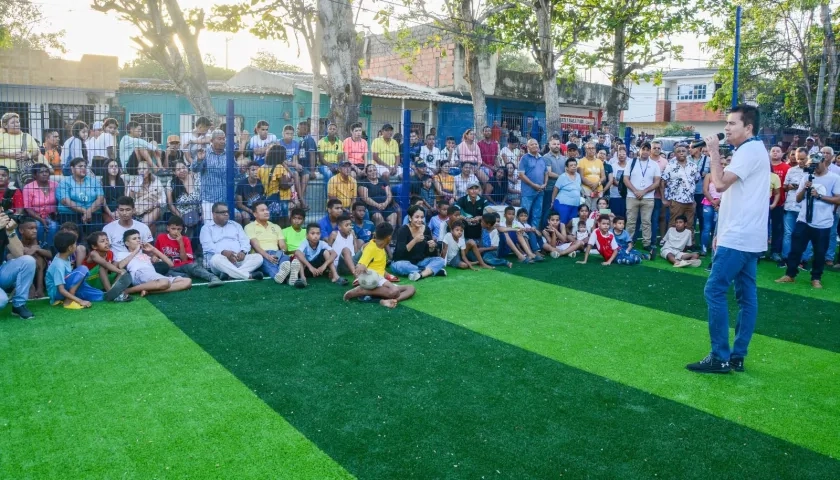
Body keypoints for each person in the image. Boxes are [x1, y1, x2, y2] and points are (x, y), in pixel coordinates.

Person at [688, 105, 770, 375]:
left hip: (739, 237)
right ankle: (736, 356)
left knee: (714, 290)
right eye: (726, 123)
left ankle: (720, 356)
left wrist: (712, 153)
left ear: (748, 127)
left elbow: (720, 184)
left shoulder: (748, 151)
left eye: (732, 123)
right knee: (747, 297)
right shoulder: (753, 150)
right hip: (747, 236)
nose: (725, 128)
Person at [776, 152, 840, 288]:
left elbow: (838, 199)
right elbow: (798, 198)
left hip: (823, 223)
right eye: (811, 165)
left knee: (820, 252)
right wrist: (804, 188)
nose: (814, 168)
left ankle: (816, 278)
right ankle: (790, 275)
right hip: (803, 220)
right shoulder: (806, 177)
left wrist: (819, 196)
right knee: (795, 249)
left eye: (816, 165)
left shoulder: (834, 178)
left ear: (824, 162)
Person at [343, 223, 416, 309]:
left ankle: (392, 300)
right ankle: (362, 291)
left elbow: (379, 267)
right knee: (394, 291)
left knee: (411, 288)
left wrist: (388, 275)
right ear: (389, 237)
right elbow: (361, 264)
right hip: (372, 280)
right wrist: (360, 269)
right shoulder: (371, 248)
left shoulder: (381, 248)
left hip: (380, 281)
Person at [116, 229, 193, 296]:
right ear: (127, 243)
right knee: (164, 282)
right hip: (139, 274)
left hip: (153, 275)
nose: (138, 240)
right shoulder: (122, 254)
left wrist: (153, 249)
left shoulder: (145, 254)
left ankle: (149, 291)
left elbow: (171, 264)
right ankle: (129, 291)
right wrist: (136, 251)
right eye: (134, 239)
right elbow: (120, 266)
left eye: (139, 238)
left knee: (187, 281)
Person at [200, 202, 264, 281]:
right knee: (215, 259)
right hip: (221, 262)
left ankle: (231, 275)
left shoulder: (235, 225)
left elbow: (245, 241)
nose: (226, 214)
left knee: (258, 257)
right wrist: (223, 252)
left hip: (238, 259)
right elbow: (208, 247)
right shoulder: (206, 228)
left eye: (227, 212)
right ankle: (248, 276)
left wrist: (243, 252)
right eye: (223, 212)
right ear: (214, 214)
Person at [155, 215, 223, 287]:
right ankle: (187, 276)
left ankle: (213, 278)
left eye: (179, 229)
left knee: (193, 266)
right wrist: (154, 257)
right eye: (173, 229)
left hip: (184, 265)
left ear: (182, 229)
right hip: (170, 268)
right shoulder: (161, 237)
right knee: (165, 272)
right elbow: (156, 253)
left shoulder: (185, 239)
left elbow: (184, 259)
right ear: (168, 228)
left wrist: (180, 243)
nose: (176, 231)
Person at [46, 231, 104, 309]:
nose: (76, 246)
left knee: (99, 295)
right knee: (82, 269)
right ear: (70, 248)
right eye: (75, 244)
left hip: (68, 287)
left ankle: (73, 295)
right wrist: (80, 301)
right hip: (57, 292)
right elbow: (61, 289)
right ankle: (68, 301)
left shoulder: (64, 256)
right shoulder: (58, 265)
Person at [623, 142, 661, 256]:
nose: (645, 152)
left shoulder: (654, 165)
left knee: (646, 222)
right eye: (643, 149)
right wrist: (635, 191)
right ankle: (628, 241)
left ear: (650, 152)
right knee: (630, 221)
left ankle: (646, 243)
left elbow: (657, 182)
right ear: (639, 150)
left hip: (648, 197)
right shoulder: (631, 162)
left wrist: (643, 191)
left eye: (647, 150)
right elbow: (625, 179)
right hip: (631, 196)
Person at [391, 205, 446, 281]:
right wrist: (415, 240)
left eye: (422, 217)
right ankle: (430, 271)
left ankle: (421, 274)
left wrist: (431, 247)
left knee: (440, 260)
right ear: (410, 218)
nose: (420, 220)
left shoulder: (426, 229)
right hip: (403, 261)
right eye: (417, 217)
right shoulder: (403, 230)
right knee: (399, 266)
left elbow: (429, 254)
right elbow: (399, 254)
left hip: (420, 261)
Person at [245, 201, 293, 285]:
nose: (266, 212)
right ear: (255, 214)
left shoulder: (276, 226)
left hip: (276, 253)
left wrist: (280, 253)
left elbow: (282, 245)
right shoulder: (249, 227)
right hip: (260, 254)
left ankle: (282, 275)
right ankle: (286, 276)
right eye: (262, 210)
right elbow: (255, 246)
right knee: (271, 264)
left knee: (285, 258)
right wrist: (268, 256)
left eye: (267, 210)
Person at [661, 144, 701, 233]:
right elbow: (663, 182)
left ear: (687, 152)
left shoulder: (693, 166)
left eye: (683, 151)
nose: (681, 153)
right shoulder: (670, 166)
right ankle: (672, 244)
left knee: (689, 224)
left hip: (690, 200)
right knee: (673, 223)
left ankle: (689, 244)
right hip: (676, 200)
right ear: (675, 154)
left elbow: (696, 179)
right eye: (679, 151)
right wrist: (664, 199)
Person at [83, 231, 133, 301]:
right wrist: (119, 271)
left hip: (100, 280)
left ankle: (115, 291)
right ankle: (110, 293)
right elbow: (105, 264)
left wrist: (120, 269)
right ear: (94, 246)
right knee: (103, 267)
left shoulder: (110, 253)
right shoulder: (93, 254)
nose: (106, 242)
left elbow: (112, 267)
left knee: (121, 269)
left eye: (107, 240)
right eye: (102, 241)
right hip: (89, 280)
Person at [56, 158, 104, 232]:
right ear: (72, 169)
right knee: (73, 230)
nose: (83, 168)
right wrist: (85, 211)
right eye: (80, 166)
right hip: (70, 213)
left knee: (95, 230)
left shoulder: (94, 181)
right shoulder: (65, 182)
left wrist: (89, 211)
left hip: (93, 212)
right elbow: (65, 201)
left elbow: (100, 199)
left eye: (85, 166)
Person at [191, 130, 228, 225]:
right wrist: (199, 160)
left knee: (226, 226)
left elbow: (236, 172)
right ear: (212, 140)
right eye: (219, 139)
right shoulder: (205, 153)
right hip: (209, 198)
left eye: (224, 139)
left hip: (225, 199)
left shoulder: (228, 154)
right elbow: (194, 169)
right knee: (210, 226)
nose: (223, 141)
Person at [292, 223, 341, 288]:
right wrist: (310, 267)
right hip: (307, 268)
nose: (316, 236)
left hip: (319, 269)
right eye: (312, 233)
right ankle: (302, 278)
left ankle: (335, 276)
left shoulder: (322, 243)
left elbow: (334, 253)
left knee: (326, 252)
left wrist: (324, 266)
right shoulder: (305, 243)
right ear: (307, 235)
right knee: (300, 254)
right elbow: (297, 252)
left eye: (318, 233)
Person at [22, 164, 58, 246]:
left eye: (46, 171)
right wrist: (41, 219)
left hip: (51, 216)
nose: (45, 174)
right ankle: (38, 247)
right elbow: (27, 208)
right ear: (35, 175)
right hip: (34, 216)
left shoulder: (55, 185)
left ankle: (49, 249)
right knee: (38, 226)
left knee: (53, 226)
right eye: (41, 172)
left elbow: (59, 202)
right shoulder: (28, 187)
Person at [17, 218, 52, 299]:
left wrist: (37, 249)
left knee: (39, 257)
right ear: (21, 230)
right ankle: (30, 288)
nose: (35, 231)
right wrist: (25, 252)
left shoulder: (41, 241)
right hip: (22, 278)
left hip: (41, 276)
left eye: (36, 228)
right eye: (31, 228)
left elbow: (50, 254)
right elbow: (9, 257)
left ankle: (40, 288)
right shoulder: (16, 243)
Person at [259, 144, 293, 224]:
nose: (285, 156)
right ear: (280, 155)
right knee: (284, 222)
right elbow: (284, 185)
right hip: (281, 197)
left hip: (269, 198)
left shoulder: (262, 168)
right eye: (284, 154)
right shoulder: (279, 167)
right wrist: (291, 183)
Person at [127, 160, 165, 226]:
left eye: (144, 168)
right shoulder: (134, 181)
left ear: (149, 170)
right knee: (152, 225)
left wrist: (154, 204)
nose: (141, 171)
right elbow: (129, 199)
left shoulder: (156, 181)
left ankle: (142, 228)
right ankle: (143, 229)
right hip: (137, 210)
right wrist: (133, 188)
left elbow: (163, 199)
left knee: (157, 210)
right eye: (139, 169)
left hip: (152, 209)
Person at [541, 135, 567, 227]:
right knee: (548, 210)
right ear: (549, 145)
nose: (556, 146)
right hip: (550, 188)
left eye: (558, 144)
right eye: (554, 144)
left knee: (559, 211)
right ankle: (544, 230)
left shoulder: (564, 158)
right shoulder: (546, 157)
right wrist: (562, 177)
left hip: (562, 189)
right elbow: (549, 173)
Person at [550, 158, 583, 224]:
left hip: (575, 204)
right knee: (562, 223)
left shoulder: (578, 176)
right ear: (566, 168)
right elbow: (555, 189)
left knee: (571, 224)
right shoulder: (563, 176)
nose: (574, 166)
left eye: (575, 165)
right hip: (563, 204)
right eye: (571, 165)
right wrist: (552, 201)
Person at [328, 213, 358, 283]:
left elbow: (355, 247)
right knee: (346, 250)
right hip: (340, 265)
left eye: (350, 225)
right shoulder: (334, 234)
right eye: (346, 225)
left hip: (353, 262)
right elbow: (328, 250)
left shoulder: (352, 233)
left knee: (365, 245)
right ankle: (356, 275)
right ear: (339, 227)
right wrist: (331, 268)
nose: (350, 227)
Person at [578, 142, 606, 211]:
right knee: (586, 210)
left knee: (596, 211)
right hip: (586, 190)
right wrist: (592, 185)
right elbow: (581, 176)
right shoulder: (581, 161)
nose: (591, 150)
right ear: (585, 150)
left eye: (593, 148)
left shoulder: (599, 162)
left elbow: (603, 177)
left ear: (595, 150)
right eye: (589, 148)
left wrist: (597, 184)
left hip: (598, 190)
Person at [296, 121, 317, 210]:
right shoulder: (301, 140)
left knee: (306, 176)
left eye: (298, 129)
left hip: (307, 167)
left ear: (305, 129)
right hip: (300, 167)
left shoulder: (309, 140)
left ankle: (301, 199)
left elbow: (312, 154)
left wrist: (312, 170)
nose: (297, 131)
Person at [101, 159, 126, 224]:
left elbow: (125, 198)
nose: (114, 168)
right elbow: (103, 202)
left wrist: (120, 212)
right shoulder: (101, 182)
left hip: (121, 211)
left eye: (116, 166)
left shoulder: (122, 181)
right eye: (111, 166)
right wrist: (111, 213)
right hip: (107, 211)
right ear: (106, 168)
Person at [607, 145, 629, 219]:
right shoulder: (613, 166)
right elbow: (612, 179)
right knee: (615, 215)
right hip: (614, 195)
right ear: (617, 156)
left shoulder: (629, 166)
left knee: (625, 215)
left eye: (623, 154)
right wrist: (622, 186)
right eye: (619, 155)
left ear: (626, 155)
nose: (621, 156)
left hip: (627, 195)